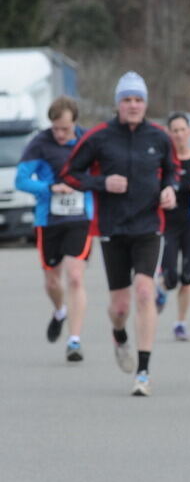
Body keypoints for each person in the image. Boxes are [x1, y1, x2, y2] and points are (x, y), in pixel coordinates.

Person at [60, 72, 177, 396]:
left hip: (149, 227)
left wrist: (170, 189)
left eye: (138, 99)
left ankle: (143, 371)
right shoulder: (99, 137)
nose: (133, 105)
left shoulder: (159, 137)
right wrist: (102, 183)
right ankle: (119, 334)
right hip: (112, 228)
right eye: (127, 99)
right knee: (121, 307)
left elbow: (172, 171)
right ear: (117, 104)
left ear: (145, 103)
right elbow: (70, 173)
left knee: (144, 291)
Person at [15, 96, 94, 361]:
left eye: (65, 128)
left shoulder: (88, 141)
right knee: (52, 280)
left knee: (74, 276)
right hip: (48, 220)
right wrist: (49, 188)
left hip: (81, 217)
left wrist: (87, 184)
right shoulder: (39, 143)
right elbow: (21, 180)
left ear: (75, 123)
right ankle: (60, 310)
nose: (60, 134)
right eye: (55, 128)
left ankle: (74, 340)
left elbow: (102, 172)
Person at [155, 112, 190, 340]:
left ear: (189, 132)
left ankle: (181, 323)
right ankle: (163, 289)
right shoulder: (164, 163)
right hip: (168, 225)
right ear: (169, 134)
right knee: (171, 276)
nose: (179, 134)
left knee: (188, 275)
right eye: (175, 131)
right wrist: (162, 196)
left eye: (183, 130)